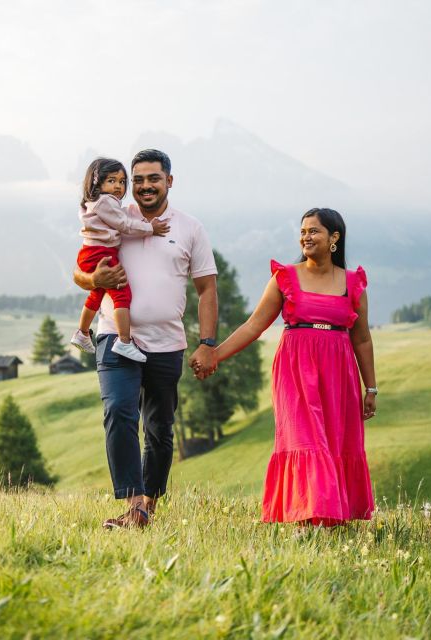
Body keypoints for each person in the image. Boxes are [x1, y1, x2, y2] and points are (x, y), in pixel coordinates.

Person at [192, 208, 376, 525]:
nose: (305, 236)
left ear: (334, 238)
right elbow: (253, 326)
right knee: (307, 439)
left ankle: (330, 520)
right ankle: (307, 519)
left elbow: (362, 340)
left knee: (334, 442)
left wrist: (370, 387)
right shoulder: (285, 278)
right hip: (296, 371)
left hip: (338, 374)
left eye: (314, 231)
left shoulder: (352, 284)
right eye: (303, 230)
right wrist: (214, 354)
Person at [73, 149, 219, 529]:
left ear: (169, 181)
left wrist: (207, 341)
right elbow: (80, 269)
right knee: (119, 412)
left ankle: (147, 507)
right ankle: (133, 502)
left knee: (159, 429)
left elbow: (207, 289)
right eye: (137, 180)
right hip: (115, 337)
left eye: (153, 178)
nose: (144, 186)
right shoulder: (115, 217)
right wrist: (93, 281)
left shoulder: (190, 228)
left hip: (167, 343)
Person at [69, 157, 171, 363]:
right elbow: (124, 224)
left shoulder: (94, 203)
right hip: (101, 252)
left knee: (97, 293)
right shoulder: (105, 202)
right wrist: (151, 228)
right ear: (97, 183)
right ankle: (124, 341)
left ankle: (81, 332)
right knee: (122, 294)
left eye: (122, 181)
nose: (117, 186)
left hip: (91, 251)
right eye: (111, 181)